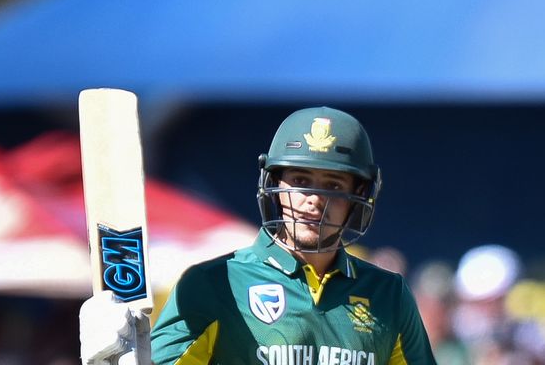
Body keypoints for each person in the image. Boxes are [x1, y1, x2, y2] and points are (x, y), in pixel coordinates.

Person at [79, 106, 437, 364]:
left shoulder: (388, 295)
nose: (314, 200)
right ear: (273, 186)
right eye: (299, 181)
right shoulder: (214, 285)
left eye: (333, 185)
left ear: (359, 197)